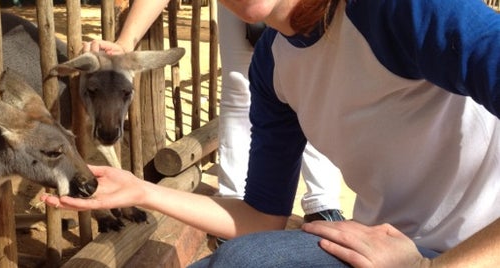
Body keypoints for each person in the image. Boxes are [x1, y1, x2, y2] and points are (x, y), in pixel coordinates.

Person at [46, 0, 500, 266]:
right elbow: (262, 217)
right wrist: (141, 191)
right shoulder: (273, 62)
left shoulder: (397, 10)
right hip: (385, 248)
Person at [86, 0, 346, 223]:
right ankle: (234, 200)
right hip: (242, 14)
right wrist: (125, 41)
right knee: (239, 88)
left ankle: (322, 201)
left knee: (311, 79)